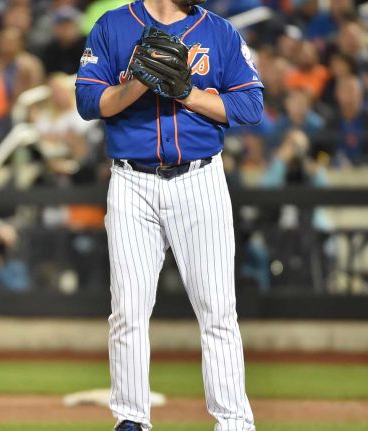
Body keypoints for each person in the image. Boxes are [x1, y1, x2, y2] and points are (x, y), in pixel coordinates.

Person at [75, 1, 263, 430]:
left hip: (201, 179)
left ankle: (234, 421)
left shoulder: (219, 32)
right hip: (131, 182)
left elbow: (251, 106)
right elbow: (88, 100)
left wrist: (185, 92)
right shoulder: (114, 26)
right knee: (128, 308)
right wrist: (138, 85)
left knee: (217, 308)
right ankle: (130, 419)